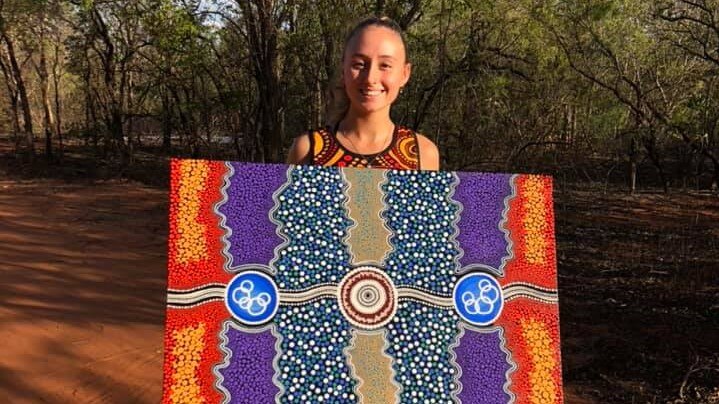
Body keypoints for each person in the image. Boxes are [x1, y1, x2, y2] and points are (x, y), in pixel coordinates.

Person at [286, 16, 440, 170]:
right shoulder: (308, 150)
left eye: (385, 65)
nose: (370, 78)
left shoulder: (422, 153)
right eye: (359, 64)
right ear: (343, 69)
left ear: (405, 74)